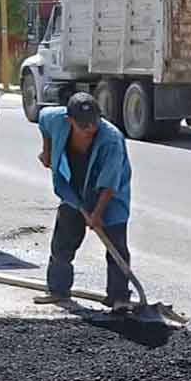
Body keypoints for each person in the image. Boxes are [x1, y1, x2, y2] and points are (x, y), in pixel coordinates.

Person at [34, 92, 133, 310]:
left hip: (110, 193)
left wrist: (96, 215)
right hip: (74, 189)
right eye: (83, 126)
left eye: (94, 124)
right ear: (69, 121)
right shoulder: (57, 119)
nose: (90, 130)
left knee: (116, 244)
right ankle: (58, 290)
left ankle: (119, 298)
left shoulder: (111, 140)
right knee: (63, 242)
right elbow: (42, 118)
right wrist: (47, 150)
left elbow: (109, 183)